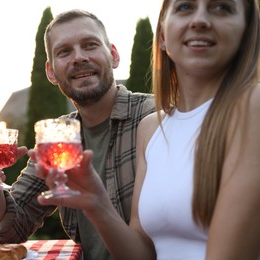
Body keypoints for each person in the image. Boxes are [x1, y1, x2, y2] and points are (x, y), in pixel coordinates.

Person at [35, 0, 260, 259]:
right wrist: (97, 204)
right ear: (163, 35)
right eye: (185, 7)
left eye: (222, 7)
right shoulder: (152, 128)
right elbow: (143, 253)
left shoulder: (252, 106)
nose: (199, 20)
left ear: (246, 32)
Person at [0, 9, 155, 260]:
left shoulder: (156, 117)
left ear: (114, 55)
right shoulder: (55, 138)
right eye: (64, 51)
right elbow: (11, 230)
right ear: (51, 72)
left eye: (90, 45)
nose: (78, 57)